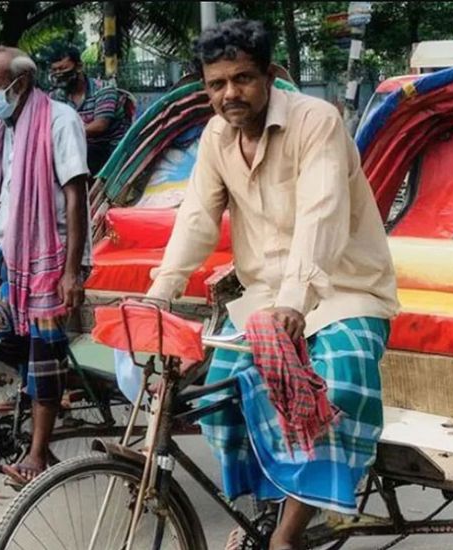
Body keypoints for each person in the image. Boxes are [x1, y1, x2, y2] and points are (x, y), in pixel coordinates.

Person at [144, 20, 399, 550]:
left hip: (342, 292)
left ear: (270, 75)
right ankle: (271, 505)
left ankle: (286, 535)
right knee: (221, 398)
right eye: (216, 84)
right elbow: (196, 218)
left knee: (339, 386)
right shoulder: (216, 137)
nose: (229, 94)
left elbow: (321, 215)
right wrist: (159, 293)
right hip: (263, 301)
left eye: (242, 79)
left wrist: (294, 302)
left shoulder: (316, 121)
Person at [0, 46, 89, 486]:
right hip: (7, 248)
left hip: (48, 252)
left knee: (43, 352)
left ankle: (39, 454)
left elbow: (76, 194)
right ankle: (38, 388)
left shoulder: (60, 120)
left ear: (19, 84)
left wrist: (71, 270)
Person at [48, 44, 131, 175]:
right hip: (78, 146)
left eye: (63, 68)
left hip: (110, 148)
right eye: (55, 70)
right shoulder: (56, 96)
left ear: (79, 67)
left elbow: (100, 126)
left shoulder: (103, 89)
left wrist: (64, 134)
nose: (59, 74)